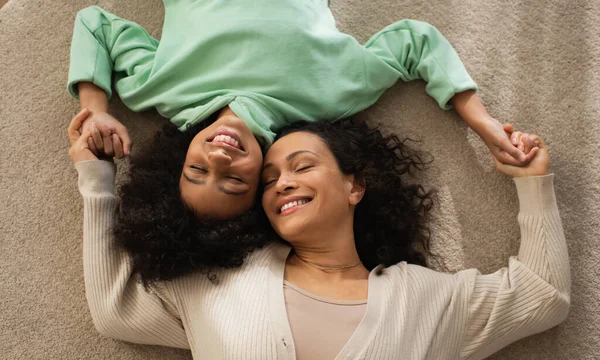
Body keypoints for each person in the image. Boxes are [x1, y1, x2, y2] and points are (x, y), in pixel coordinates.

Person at [67, 108, 570, 360]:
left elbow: (542, 295)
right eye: (267, 180)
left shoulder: (429, 302)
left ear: (355, 186)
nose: (283, 181)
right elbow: (116, 310)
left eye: (302, 166)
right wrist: (97, 181)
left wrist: (533, 185)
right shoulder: (221, 282)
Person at [68, 3, 533, 219]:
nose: (219, 159)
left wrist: (96, 108)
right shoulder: (327, 99)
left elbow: (95, 23)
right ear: (264, 174)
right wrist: (483, 122)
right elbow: (415, 41)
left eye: (196, 170)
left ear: (180, 157)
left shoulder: (163, 92)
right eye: (234, 180)